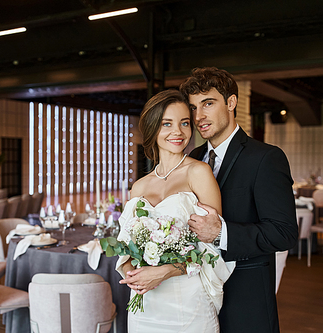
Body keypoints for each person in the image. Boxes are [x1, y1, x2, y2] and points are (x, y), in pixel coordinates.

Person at [180, 67, 298, 333]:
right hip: (195, 298)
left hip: (246, 297)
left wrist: (221, 232)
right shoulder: (191, 160)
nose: (199, 116)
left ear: (231, 102)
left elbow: (284, 233)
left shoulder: (266, 158)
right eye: (194, 107)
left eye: (208, 103)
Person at [116, 89, 233, 332]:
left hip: (188, 304)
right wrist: (132, 275)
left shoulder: (199, 172)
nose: (178, 132)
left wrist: (166, 271)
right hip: (146, 306)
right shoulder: (139, 186)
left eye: (184, 123)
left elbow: (212, 246)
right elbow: (125, 248)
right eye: (167, 124)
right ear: (152, 129)